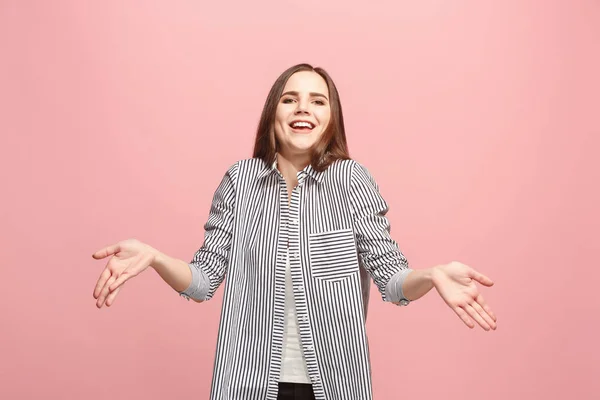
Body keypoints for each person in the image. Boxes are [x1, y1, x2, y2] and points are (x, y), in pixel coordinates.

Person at [92, 63, 497, 400]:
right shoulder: (240, 180)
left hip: (334, 386)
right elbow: (202, 282)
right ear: (274, 112)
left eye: (317, 101)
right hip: (245, 386)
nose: (303, 108)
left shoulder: (352, 181)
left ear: (330, 118)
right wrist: (155, 257)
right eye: (290, 99)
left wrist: (431, 275)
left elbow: (391, 278)